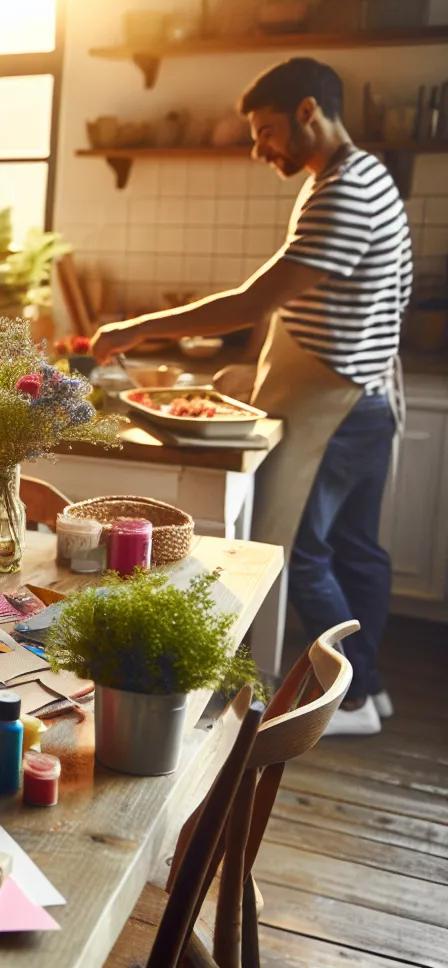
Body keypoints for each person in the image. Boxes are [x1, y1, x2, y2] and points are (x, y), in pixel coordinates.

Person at [92, 58, 412, 737]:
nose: (258, 148)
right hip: (367, 397)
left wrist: (134, 328)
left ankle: (348, 700)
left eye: (266, 131)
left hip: (337, 405)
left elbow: (254, 300)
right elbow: (307, 301)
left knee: (298, 551)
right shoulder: (363, 174)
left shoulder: (341, 189)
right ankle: (371, 689)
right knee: (357, 551)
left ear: (307, 113)